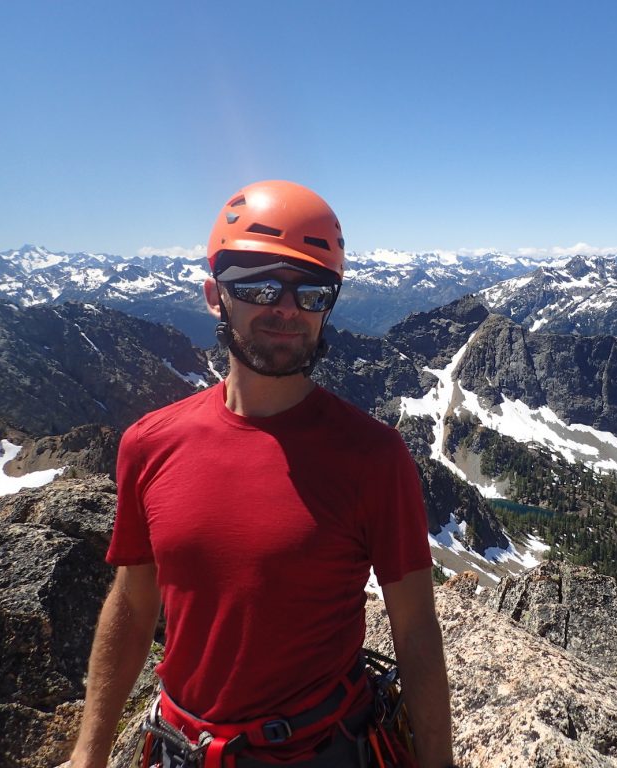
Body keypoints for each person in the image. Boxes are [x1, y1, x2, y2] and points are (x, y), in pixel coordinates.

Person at [69, 180, 454, 768]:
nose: (287, 309)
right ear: (213, 295)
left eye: (312, 292)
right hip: (180, 748)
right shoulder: (149, 445)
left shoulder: (374, 458)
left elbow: (416, 629)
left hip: (319, 749)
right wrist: (88, 753)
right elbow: (133, 599)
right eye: (259, 284)